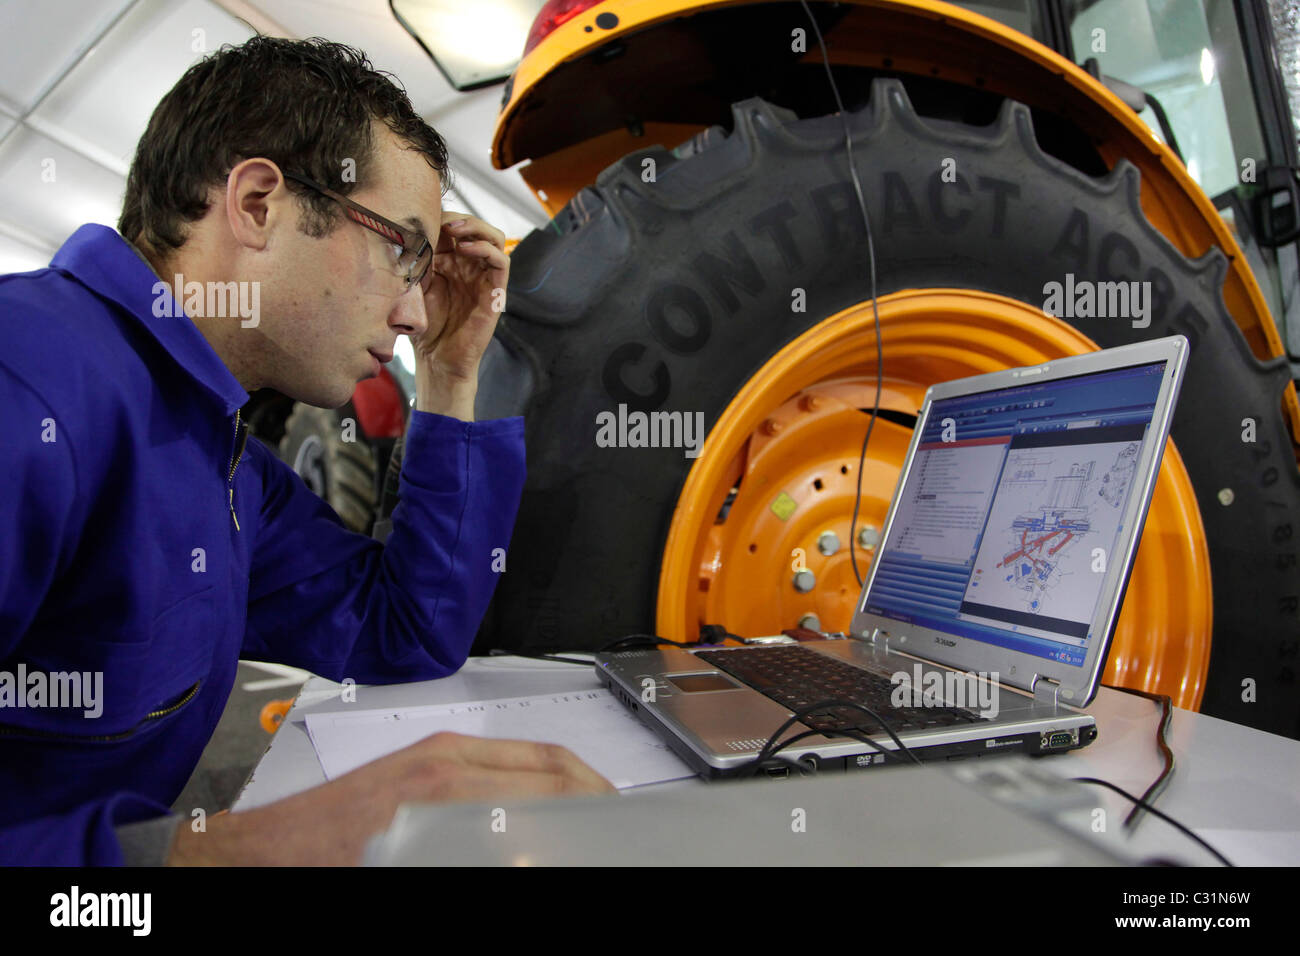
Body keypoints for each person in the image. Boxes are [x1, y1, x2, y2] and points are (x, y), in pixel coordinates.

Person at [0, 36, 613, 867]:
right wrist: (228, 853)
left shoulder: (220, 462)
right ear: (257, 204)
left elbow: (405, 633)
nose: (412, 314)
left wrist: (449, 376)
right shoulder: (29, 377)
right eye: (401, 251)